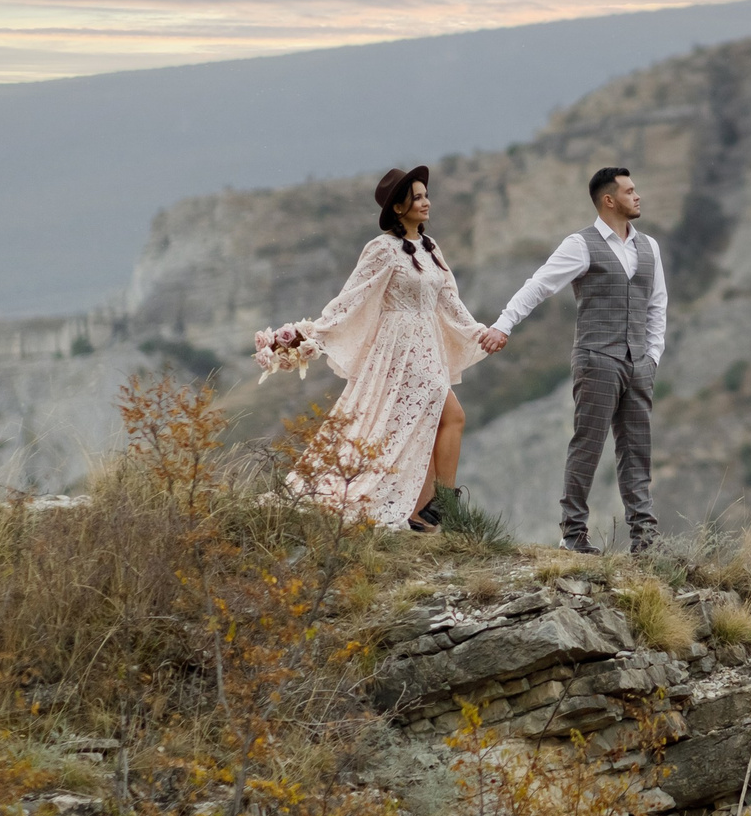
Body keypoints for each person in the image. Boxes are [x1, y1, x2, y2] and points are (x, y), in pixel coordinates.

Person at [266, 166, 483, 531]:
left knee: (426, 423)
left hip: (428, 345)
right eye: (417, 197)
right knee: (452, 416)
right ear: (398, 208)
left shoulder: (430, 248)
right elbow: (352, 296)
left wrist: (480, 332)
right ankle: (442, 504)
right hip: (399, 348)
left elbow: (449, 301)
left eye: (426, 195)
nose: (426, 202)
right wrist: (310, 334)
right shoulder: (382, 249)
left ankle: (422, 513)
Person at [480, 166, 665, 554]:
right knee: (588, 446)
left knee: (637, 451)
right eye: (630, 191)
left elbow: (656, 304)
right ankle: (573, 535)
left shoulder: (649, 247)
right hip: (597, 358)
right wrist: (503, 325)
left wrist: (653, 355)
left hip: (639, 363)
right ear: (608, 200)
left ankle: (645, 541)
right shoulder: (580, 244)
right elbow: (539, 285)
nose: (637, 196)